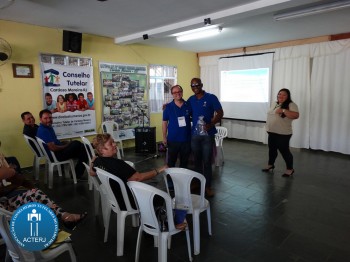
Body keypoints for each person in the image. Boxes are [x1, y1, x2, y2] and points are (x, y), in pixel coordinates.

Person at [90, 133, 167, 210]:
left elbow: (92, 173)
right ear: (101, 150)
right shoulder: (118, 164)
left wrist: (92, 162)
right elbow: (138, 178)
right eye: (111, 144)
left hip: (115, 198)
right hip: (128, 201)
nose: (114, 144)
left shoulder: (97, 161)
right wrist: (159, 170)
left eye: (113, 141)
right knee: (162, 197)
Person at [0, 164, 87, 230]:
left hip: (5, 202)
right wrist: (8, 172)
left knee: (34, 193)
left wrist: (12, 173)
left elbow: (21, 182)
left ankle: (65, 217)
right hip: (3, 213)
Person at [188, 78, 223, 197]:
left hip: (208, 135)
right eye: (192, 85)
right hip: (195, 135)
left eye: (197, 85)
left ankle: (208, 186)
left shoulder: (211, 97)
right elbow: (182, 106)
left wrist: (211, 124)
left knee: (207, 161)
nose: (195, 87)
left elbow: (220, 112)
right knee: (196, 161)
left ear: (201, 85)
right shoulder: (191, 99)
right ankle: (198, 182)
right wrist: (169, 105)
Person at [36, 109, 88, 179]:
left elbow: (55, 142)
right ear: (40, 119)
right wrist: (67, 145)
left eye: (50, 117)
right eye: (45, 118)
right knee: (77, 143)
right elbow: (53, 148)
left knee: (84, 150)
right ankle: (91, 147)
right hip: (55, 156)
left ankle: (77, 174)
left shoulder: (48, 127)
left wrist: (65, 143)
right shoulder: (43, 130)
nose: (48, 120)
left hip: (57, 152)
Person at [262, 88, 299, 177]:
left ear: (288, 96)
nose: (281, 96)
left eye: (284, 95)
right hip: (272, 131)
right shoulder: (274, 103)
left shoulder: (291, 104)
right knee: (272, 150)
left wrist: (283, 110)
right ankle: (270, 165)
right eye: (279, 94)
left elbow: (296, 115)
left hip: (283, 133)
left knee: (284, 151)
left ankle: (290, 169)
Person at [162, 85, 192, 168]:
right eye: (175, 92)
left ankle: (182, 180)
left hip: (186, 140)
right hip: (172, 140)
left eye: (179, 91)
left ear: (182, 92)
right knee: (171, 163)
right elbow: (164, 123)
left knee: (184, 163)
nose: (177, 94)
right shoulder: (167, 107)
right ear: (172, 94)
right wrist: (164, 137)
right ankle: (170, 180)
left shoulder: (188, 105)